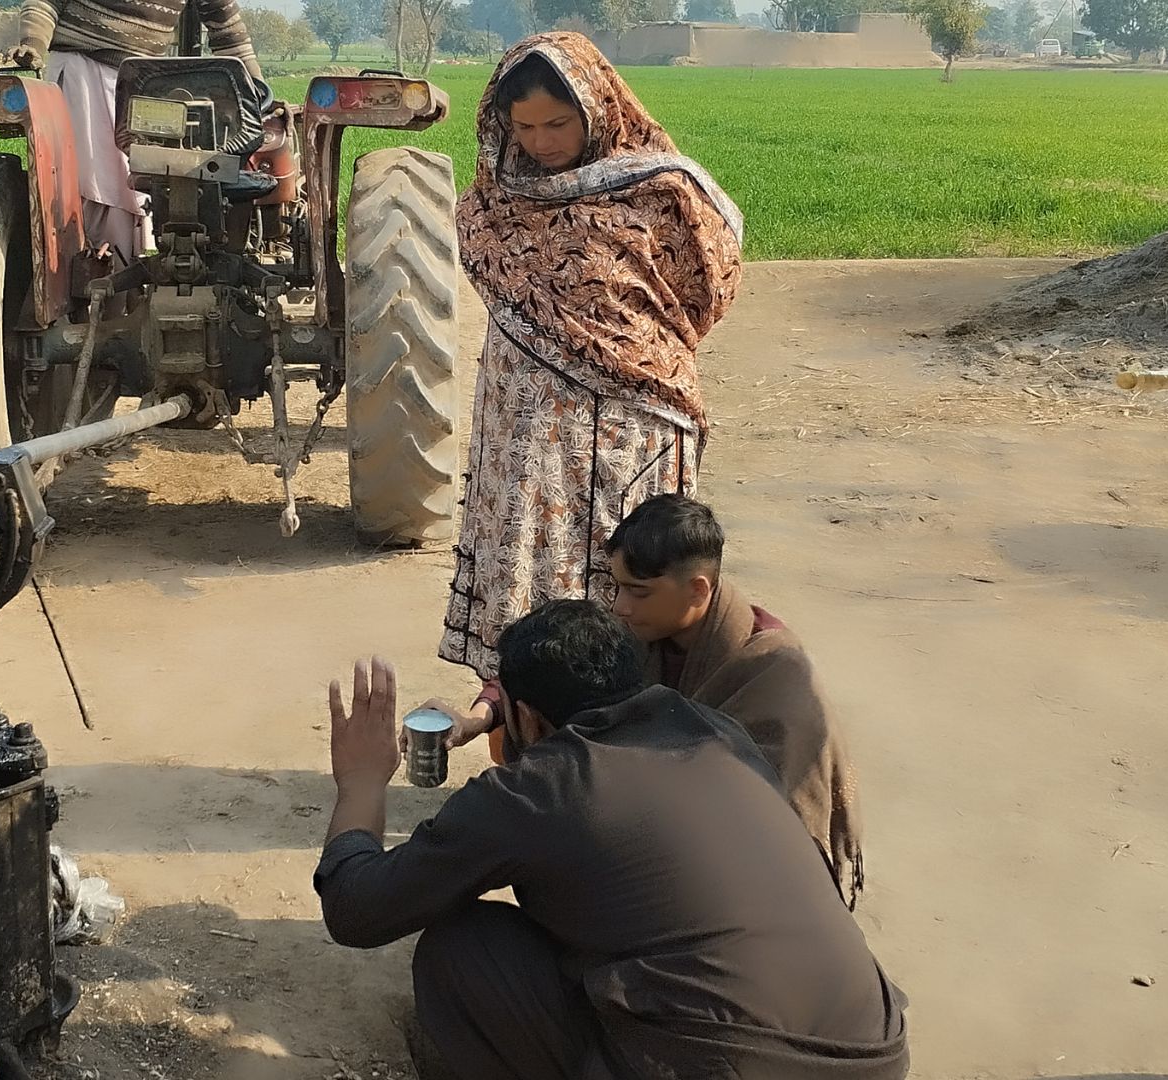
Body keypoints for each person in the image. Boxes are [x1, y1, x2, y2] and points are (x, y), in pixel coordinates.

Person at [317, 603, 908, 1080]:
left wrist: (363, 781)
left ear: (524, 718)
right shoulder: (715, 730)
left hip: (729, 1063)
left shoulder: (535, 790)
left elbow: (356, 909)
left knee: (464, 948)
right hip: (873, 1051)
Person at [440, 33, 743, 702]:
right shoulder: (491, 205)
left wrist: (633, 351)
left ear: (596, 108)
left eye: (558, 122)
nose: (542, 141)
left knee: (623, 588)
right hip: (525, 446)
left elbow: (709, 285)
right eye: (525, 126)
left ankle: (624, 753)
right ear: (501, 123)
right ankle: (530, 742)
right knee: (534, 587)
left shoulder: (661, 192)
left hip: (629, 435)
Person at [605, 494, 865, 908]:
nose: (619, 607)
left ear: (697, 590)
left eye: (638, 592)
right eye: (616, 587)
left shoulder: (776, 673)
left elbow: (773, 818)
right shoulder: (644, 639)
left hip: (762, 886)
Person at [8, 0, 262, 268]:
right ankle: (85, 271)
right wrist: (33, 42)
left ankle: (122, 277)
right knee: (89, 186)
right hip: (83, 70)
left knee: (139, 180)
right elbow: (45, 3)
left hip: (142, 78)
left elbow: (226, 25)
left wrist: (256, 89)